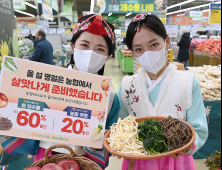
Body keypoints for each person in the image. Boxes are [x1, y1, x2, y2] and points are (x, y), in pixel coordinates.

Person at [0, 14, 120, 170]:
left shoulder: (110, 97)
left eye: (100, 49)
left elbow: (108, 143)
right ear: (72, 46)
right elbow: (22, 121)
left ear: (107, 56)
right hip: (45, 159)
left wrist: (101, 139)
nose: (91, 53)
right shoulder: (47, 82)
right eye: (84, 45)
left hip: (84, 163)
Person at [117, 14, 208, 170]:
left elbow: (198, 130)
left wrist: (183, 146)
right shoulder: (127, 86)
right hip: (137, 161)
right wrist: (119, 144)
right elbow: (119, 127)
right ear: (132, 51)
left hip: (176, 161)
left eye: (153, 45)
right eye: (139, 49)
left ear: (167, 42)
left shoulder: (187, 82)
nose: (147, 53)